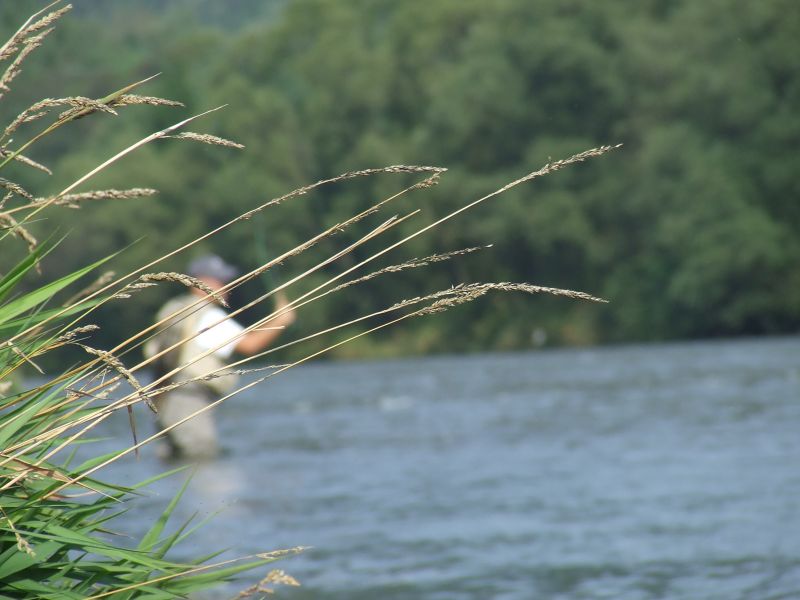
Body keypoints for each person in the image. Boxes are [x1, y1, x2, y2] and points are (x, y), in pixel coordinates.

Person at [144, 254, 295, 460]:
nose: (226, 287)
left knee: (173, 462)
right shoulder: (208, 316)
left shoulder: (174, 308)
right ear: (200, 282)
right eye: (220, 281)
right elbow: (250, 345)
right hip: (189, 402)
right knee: (203, 460)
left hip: (164, 401)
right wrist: (281, 319)